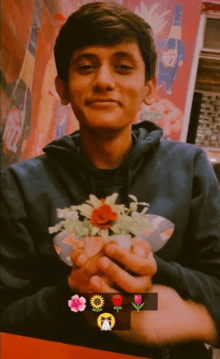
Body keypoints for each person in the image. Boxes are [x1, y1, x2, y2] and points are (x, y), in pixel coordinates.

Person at [1, 2, 220, 359]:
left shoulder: (190, 168)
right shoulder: (21, 186)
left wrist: (157, 273)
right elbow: (6, 316)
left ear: (149, 87)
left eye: (123, 67)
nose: (104, 80)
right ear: (63, 87)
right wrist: (73, 293)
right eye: (86, 67)